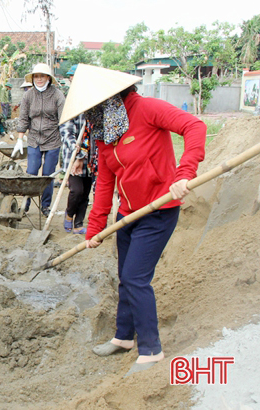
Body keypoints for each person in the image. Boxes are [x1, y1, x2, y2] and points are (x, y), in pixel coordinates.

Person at [73, 65, 206, 376]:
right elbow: (105, 182)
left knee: (135, 278)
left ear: (111, 97)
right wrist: (95, 229)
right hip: (128, 215)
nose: (91, 114)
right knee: (125, 278)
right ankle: (124, 337)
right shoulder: (105, 132)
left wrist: (185, 173)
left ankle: (151, 349)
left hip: (159, 211)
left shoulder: (146, 109)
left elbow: (195, 127)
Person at [14, 63, 66, 216]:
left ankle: (45, 206)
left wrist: (66, 139)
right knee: (31, 172)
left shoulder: (57, 95)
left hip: (53, 140)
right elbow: (23, 118)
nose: (39, 79)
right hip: (34, 139)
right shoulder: (28, 95)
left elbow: (63, 119)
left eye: (42, 76)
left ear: (48, 78)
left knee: (48, 175)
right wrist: (19, 139)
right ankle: (25, 205)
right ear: (33, 79)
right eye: (36, 76)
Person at [59, 114, 93, 234]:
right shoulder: (73, 111)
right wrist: (75, 147)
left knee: (85, 194)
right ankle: (69, 214)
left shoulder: (95, 111)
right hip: (73, 158)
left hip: (90, 159)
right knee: (77, 190)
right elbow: (67, 133)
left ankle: (78, 225)